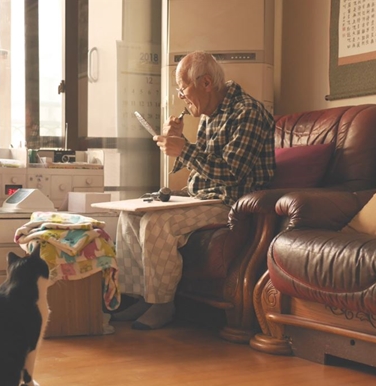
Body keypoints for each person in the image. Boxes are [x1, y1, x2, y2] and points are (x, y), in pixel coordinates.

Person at [112, 50, 275, 330]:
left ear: (206, 83)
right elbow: (204, 167)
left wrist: (184, 150)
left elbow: (232, 173)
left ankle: (163, 305)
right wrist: (179, 141)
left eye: (182, 88)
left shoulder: (248, 112)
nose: (180, 96)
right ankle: (141, 297)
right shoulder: (211, 114)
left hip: (232, 203)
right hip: (204, 197)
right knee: (133, 214)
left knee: (156, 222)